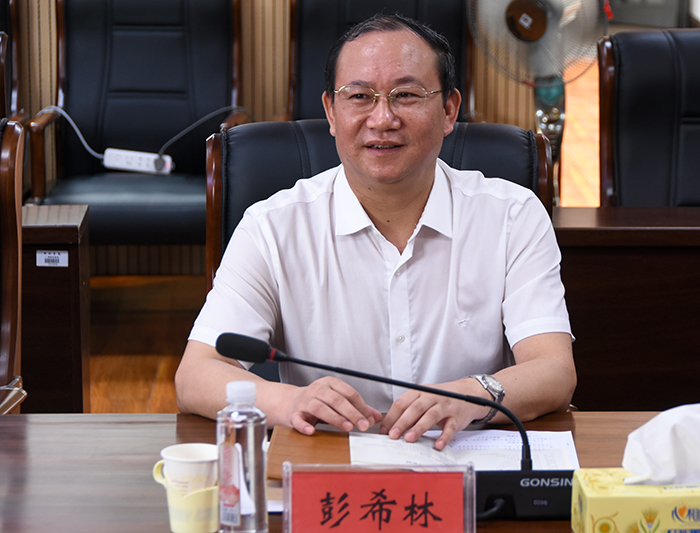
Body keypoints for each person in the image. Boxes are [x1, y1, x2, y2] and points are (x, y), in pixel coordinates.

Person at [175, 13, 575, 451]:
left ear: (448, 110)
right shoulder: (272, 227)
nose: (382, 119)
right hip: (328, 467)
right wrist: (290, 401)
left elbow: (554, 370)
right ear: (331, 112)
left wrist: (472, 395)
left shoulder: (512, 216)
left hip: (466, 461)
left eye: (406, 95)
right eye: (360, 96)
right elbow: (197, 375)